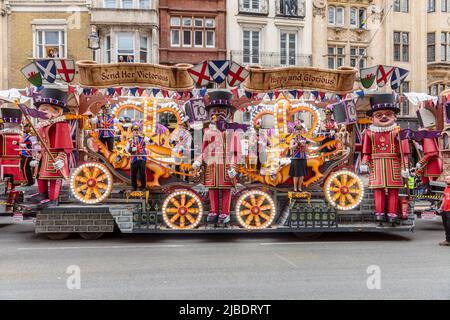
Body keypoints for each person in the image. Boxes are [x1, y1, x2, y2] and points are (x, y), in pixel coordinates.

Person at [192, 90, 242, 225]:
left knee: (226, 190)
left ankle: (225, 213)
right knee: (212, 189)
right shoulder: (208, 132)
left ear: (228, 114)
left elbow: (236, 152)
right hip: (212, 165)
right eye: (214, 113)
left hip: (226, 165)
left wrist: (233, 166)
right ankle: (214, 211)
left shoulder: (233, 132)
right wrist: (198, 160)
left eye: (221, 113)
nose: (217, 116)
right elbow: (205, 151)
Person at [360, 94, 410, 224]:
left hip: (393, 164)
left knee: (394, 190)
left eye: (388, 114)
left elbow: (403, 152)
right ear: (372, 118)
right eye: (379, 115)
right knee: (378, 190)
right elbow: (366, 152)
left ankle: (392, 213)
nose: (384, 117)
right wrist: (364, 163)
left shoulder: (398, 132)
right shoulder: (369, 133)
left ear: (395, 116)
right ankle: (380, 214)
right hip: (376, 164)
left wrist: (405, 167)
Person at [29, 88, 73, 206]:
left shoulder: (60, 125)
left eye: (44, 109)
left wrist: (61, 158)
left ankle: (53, 199)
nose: (39, 112)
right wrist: (36, 156)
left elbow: (65, 145)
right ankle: (42, 193)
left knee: (54, 179)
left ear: (57, 112)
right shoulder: (42, 126)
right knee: (39, 175)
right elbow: (40, 143)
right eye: (40, 109)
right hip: (44, 155)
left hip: (54, 156)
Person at [126, 125, 147, 191]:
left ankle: (143, 187)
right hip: (134, 159)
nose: (136, 131)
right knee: (133, 174)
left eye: (137, 130)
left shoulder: (143, 138)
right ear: (132, 132)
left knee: (142, 173)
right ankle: (133, 187)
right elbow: (127, 150)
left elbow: (151, 142)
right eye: (134, 130)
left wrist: (145, 136)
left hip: (142, 158)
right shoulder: (130, 140)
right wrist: (132, 149)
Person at [289, 122, 308, 192]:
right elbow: (290, 147)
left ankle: (299, 187)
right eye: (297, 130)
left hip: (303, 157)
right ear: (295, 131)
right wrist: (296, 144)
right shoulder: (293, 139)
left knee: (302, 174)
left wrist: (305, 147)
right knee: (296, 174)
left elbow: (307, 147)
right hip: (296, 158)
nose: (299, 132)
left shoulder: (304, 139)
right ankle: (295, 187)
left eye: (300, 130)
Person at [438, 175, 450, 246]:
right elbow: (444, 199)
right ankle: (448, 240)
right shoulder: (446, 188)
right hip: (445, 210)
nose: (446, 180)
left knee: (449, 225)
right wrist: (441, 207)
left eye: (448, 179)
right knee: (446, 226)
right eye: (446, 179)